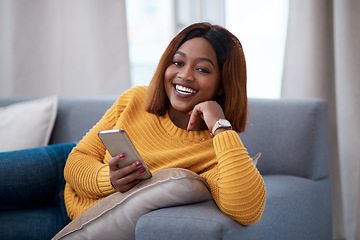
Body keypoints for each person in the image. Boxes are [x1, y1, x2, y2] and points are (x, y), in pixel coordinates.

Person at [64, 22, 266, 225]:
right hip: (67, 183)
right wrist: (109, 179)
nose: (185, 75)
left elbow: (247, 211)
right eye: (178, 63)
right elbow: (76, 160)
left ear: (223, 85)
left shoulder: (213, 153)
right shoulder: (136, 99)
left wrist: (221, 128)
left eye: (202, 69)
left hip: (76, 223)